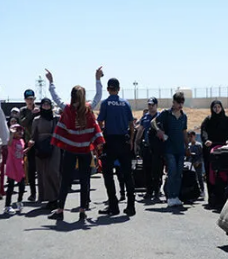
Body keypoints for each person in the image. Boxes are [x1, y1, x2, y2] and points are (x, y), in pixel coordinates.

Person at [48, 84, 105, 221]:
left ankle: (60, 210)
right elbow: (98, 95)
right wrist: (97, 79)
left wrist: (51, 83)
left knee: (65, 179)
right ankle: (82, 210)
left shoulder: (67, 109)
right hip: (85, 150)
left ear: (72, 95)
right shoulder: (88, 108)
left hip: (70, 150)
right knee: (85, 180)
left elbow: (56, 99)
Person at [96, 75, 136, 217]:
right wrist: (131, 140)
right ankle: (131, 206)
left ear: (108, 89)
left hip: (110, 141)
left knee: (108, 174)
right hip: (124, 141)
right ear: (119, 89)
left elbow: (99, 123)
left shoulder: (106, 103)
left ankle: (113, 206)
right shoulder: (125, 103)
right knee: (127, 174)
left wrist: (99, 140)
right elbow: (132, 124)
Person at [152, 92, 188, 207]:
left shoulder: (184, 116)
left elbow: (184, 132)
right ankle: (170, 196)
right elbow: (153, 122)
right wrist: (159, 130)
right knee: (172, 172)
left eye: (180, 103)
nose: (178, 105)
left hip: (180, 149)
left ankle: (175, 196)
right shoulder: (166, 114)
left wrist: (187, 146)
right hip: (169, 149)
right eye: (177, 103)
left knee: (179, 173)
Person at [29, 98, 61, 208]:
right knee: (43, 173)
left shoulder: (56, 118)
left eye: (48, 104)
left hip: (54, 146)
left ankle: (58, 196)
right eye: (44, 104)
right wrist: (32, 143)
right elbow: (33, 135)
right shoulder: (37, 120)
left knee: (53, 171)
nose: (46, 106)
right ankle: (49, 199)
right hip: (41, 147)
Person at [200, 100, 228, 205]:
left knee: (224, 173)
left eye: (219, 107)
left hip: (224, 150)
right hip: (211, 149)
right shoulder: (208, 120)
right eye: (215, 107)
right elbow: (203, 131)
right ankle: (212, 198)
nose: (217, 109)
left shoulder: (227, 120)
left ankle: (224, 197)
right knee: (211, 173)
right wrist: (206, 140)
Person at [135, 97, 163, 202]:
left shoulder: (160, 116)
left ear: (156, 105)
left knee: (157, 170)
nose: (151, 107)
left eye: (152, 105)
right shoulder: (145, 117)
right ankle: (149, 191)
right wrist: (136, 142)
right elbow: (141, 130)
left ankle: (157, 191)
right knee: (147, 169)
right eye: (149, 105)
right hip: (146, 146)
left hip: (157, 147)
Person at [19, 89, 39, 202]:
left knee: (41, 168)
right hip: (28, 142)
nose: (30, 101)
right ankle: (33, 193)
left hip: (39, 141)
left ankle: (44, 192)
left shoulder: (39, 109)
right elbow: (22, 123)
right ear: (25, 100)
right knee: (31, 168)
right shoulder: (23, 110)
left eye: (32, 99)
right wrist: (32, 113)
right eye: (28, 99)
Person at [4, 124, 27, 215]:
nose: (20, 132)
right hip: (12, 165)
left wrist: (29, 147)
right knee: (11, 186)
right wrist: (11, 134)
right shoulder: (11, 141)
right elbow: (8, 144)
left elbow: (21, 152)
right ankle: (7, 206)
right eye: (18, 130)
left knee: (22, 185)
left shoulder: (21, 141)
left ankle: (19, 201)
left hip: (19, 166)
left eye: (21, 130)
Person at [188, 131, 205, 198]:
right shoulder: (189, 146)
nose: (190, 138)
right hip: (191, 164)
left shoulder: (198, 145)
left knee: (199, 177)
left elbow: (202, 155)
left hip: (198, 164)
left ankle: (202, 191)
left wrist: (198, 161)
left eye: (191, 137)